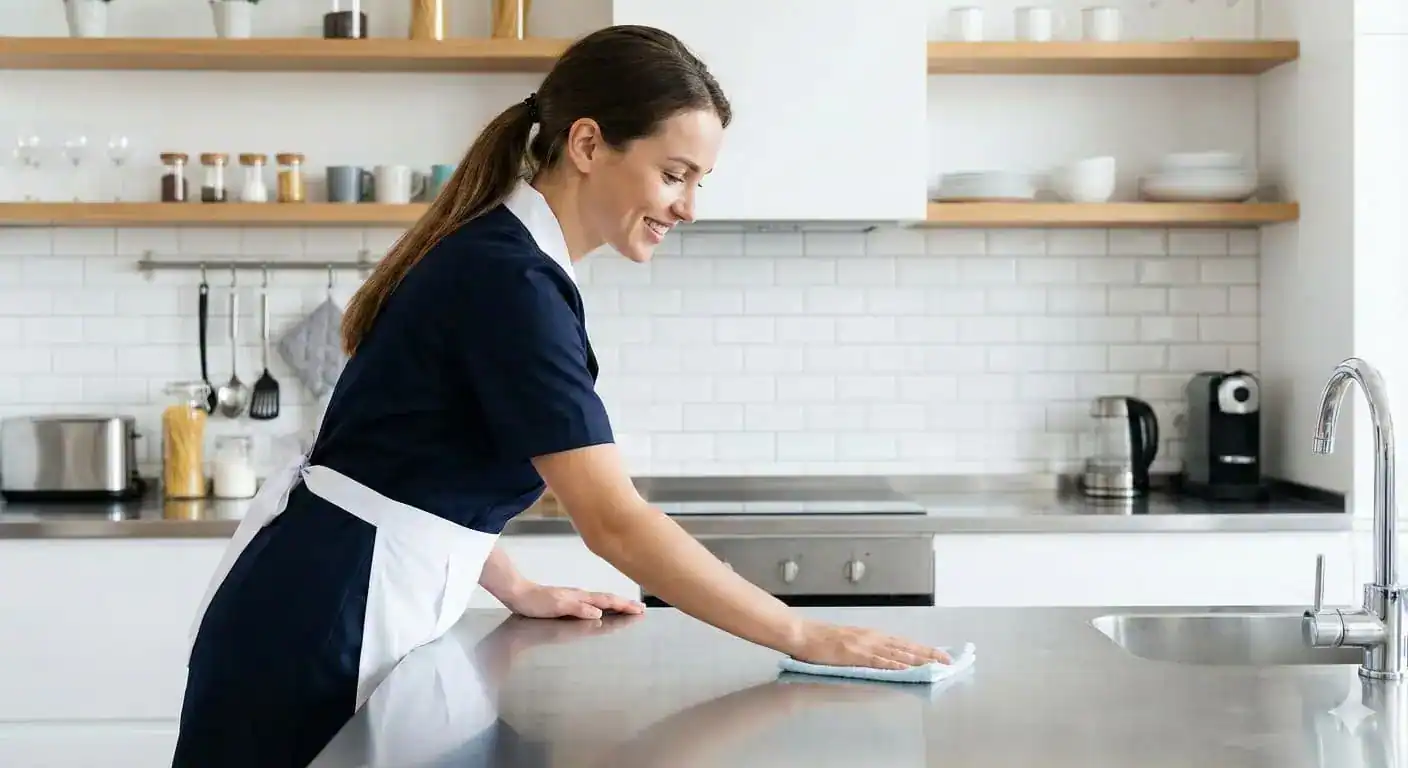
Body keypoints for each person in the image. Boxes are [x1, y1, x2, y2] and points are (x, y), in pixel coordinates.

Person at [171, 24, 949, 768]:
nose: (688, 206)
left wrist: (515, 584)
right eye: (673, 174)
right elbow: (613, 520)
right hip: (321, 625)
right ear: (586, 145)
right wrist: (798, 633)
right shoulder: (511, 280)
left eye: (698, 181)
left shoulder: (510, 262)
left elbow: (413, 465)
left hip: (334, 599)